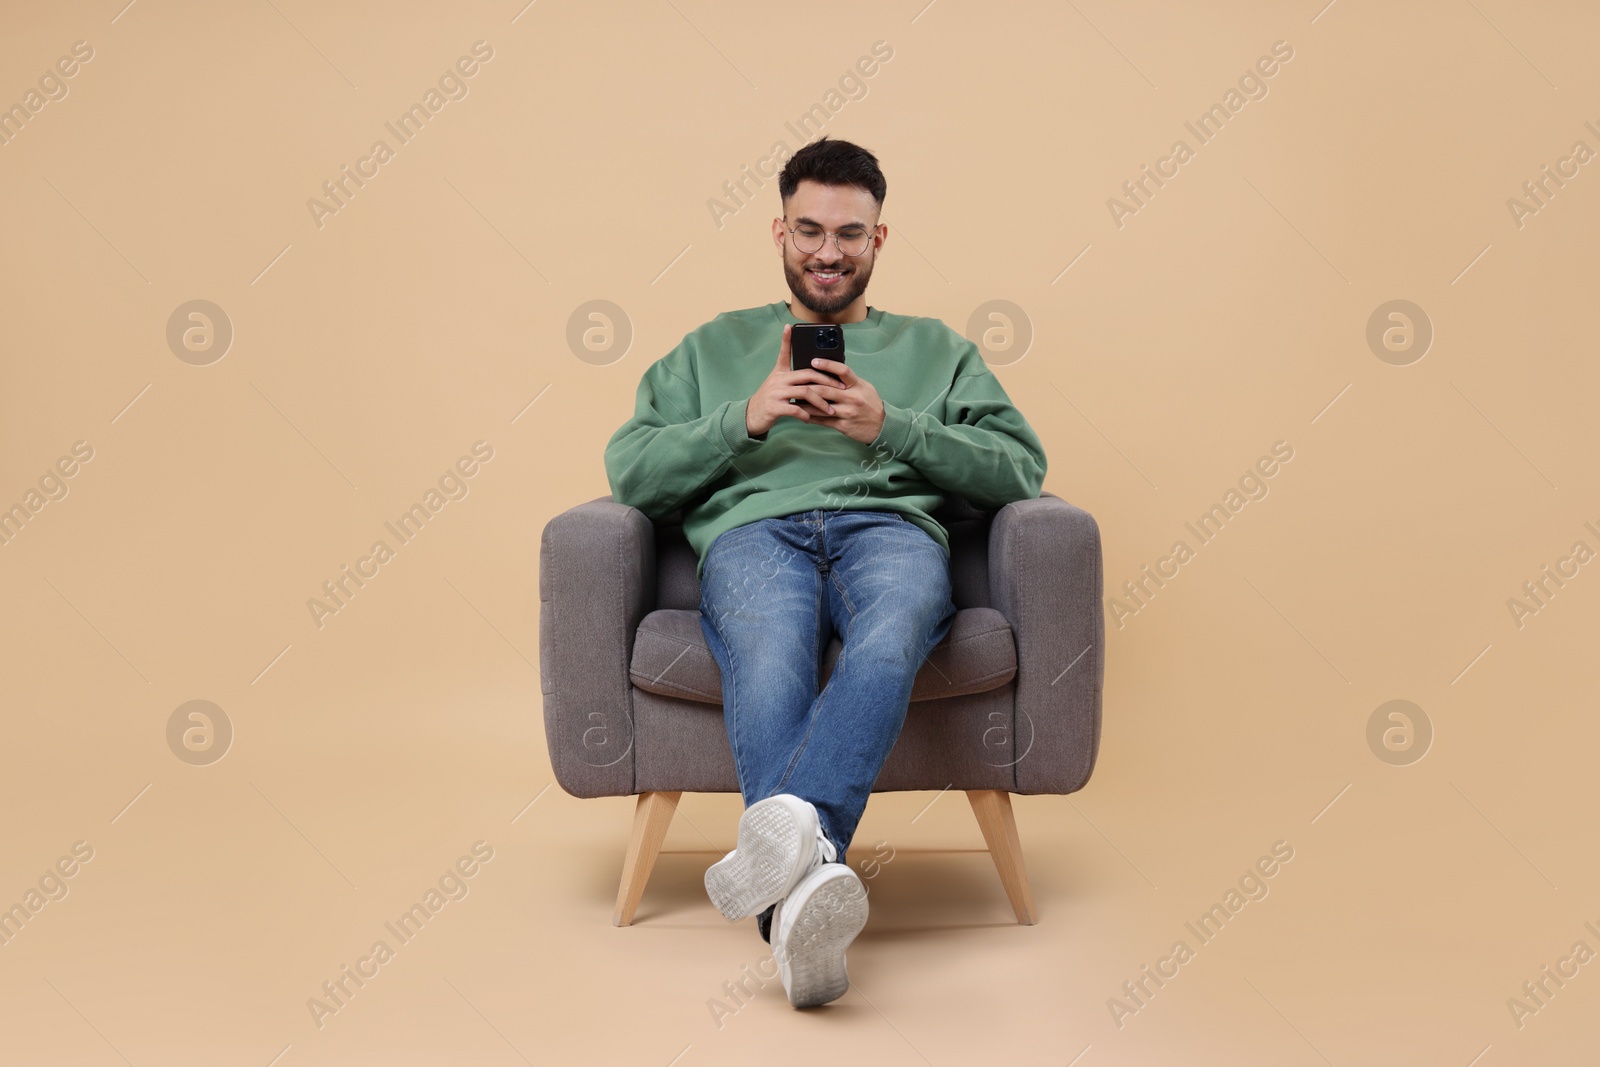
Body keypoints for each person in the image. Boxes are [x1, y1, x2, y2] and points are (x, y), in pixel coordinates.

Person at [603, 136, 1047, 1008]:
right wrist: (746, 418)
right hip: (754, 535)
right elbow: (631, 474)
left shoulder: (936, 349)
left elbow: (1020, 471)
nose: (828, 252)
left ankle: (785, 888)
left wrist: (895, 426)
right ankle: (810, 896)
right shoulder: (710, 347)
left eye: (850, 233)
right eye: (809, 230)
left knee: (893, 632)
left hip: (890, 532)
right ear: (778, 232)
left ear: (879, 240)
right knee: (768, 656)